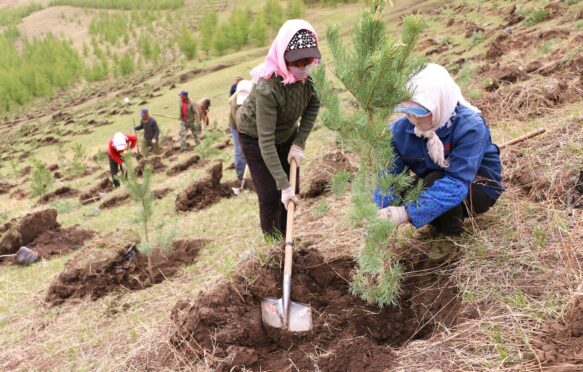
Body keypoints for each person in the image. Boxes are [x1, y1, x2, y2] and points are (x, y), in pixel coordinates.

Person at [374, 63, 504, 261]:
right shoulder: (400, 131)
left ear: (439, 101)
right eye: (408, 110)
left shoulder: (470, 126)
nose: (412, 117)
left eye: (421, 110)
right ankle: (435, 221)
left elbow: (456, 184)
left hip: (476, 188)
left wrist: (405, 214)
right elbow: (388, 175)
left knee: (436, 180)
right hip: (433, 180)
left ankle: (450, 233)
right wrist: (380, 210)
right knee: (410, 186)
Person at [237, 20, 321, 238]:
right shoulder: (268, 87)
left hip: (286, 134)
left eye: (308, 62)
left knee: (293, 190)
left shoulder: (311, 78)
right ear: (284, 57)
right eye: (297, 63)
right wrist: (282, 185)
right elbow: (265, 141)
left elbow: (313, 104)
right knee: (271, 195)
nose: (303, 69)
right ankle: (273, 246)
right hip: (255, 138)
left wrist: (298, 143)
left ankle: (287, 238)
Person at [229, 79, 252, 180]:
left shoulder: (256, 93)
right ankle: (241, 176)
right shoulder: (234, 102)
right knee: (240, 149)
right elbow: (239, 124)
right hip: (236, 125)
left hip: (251, 121)